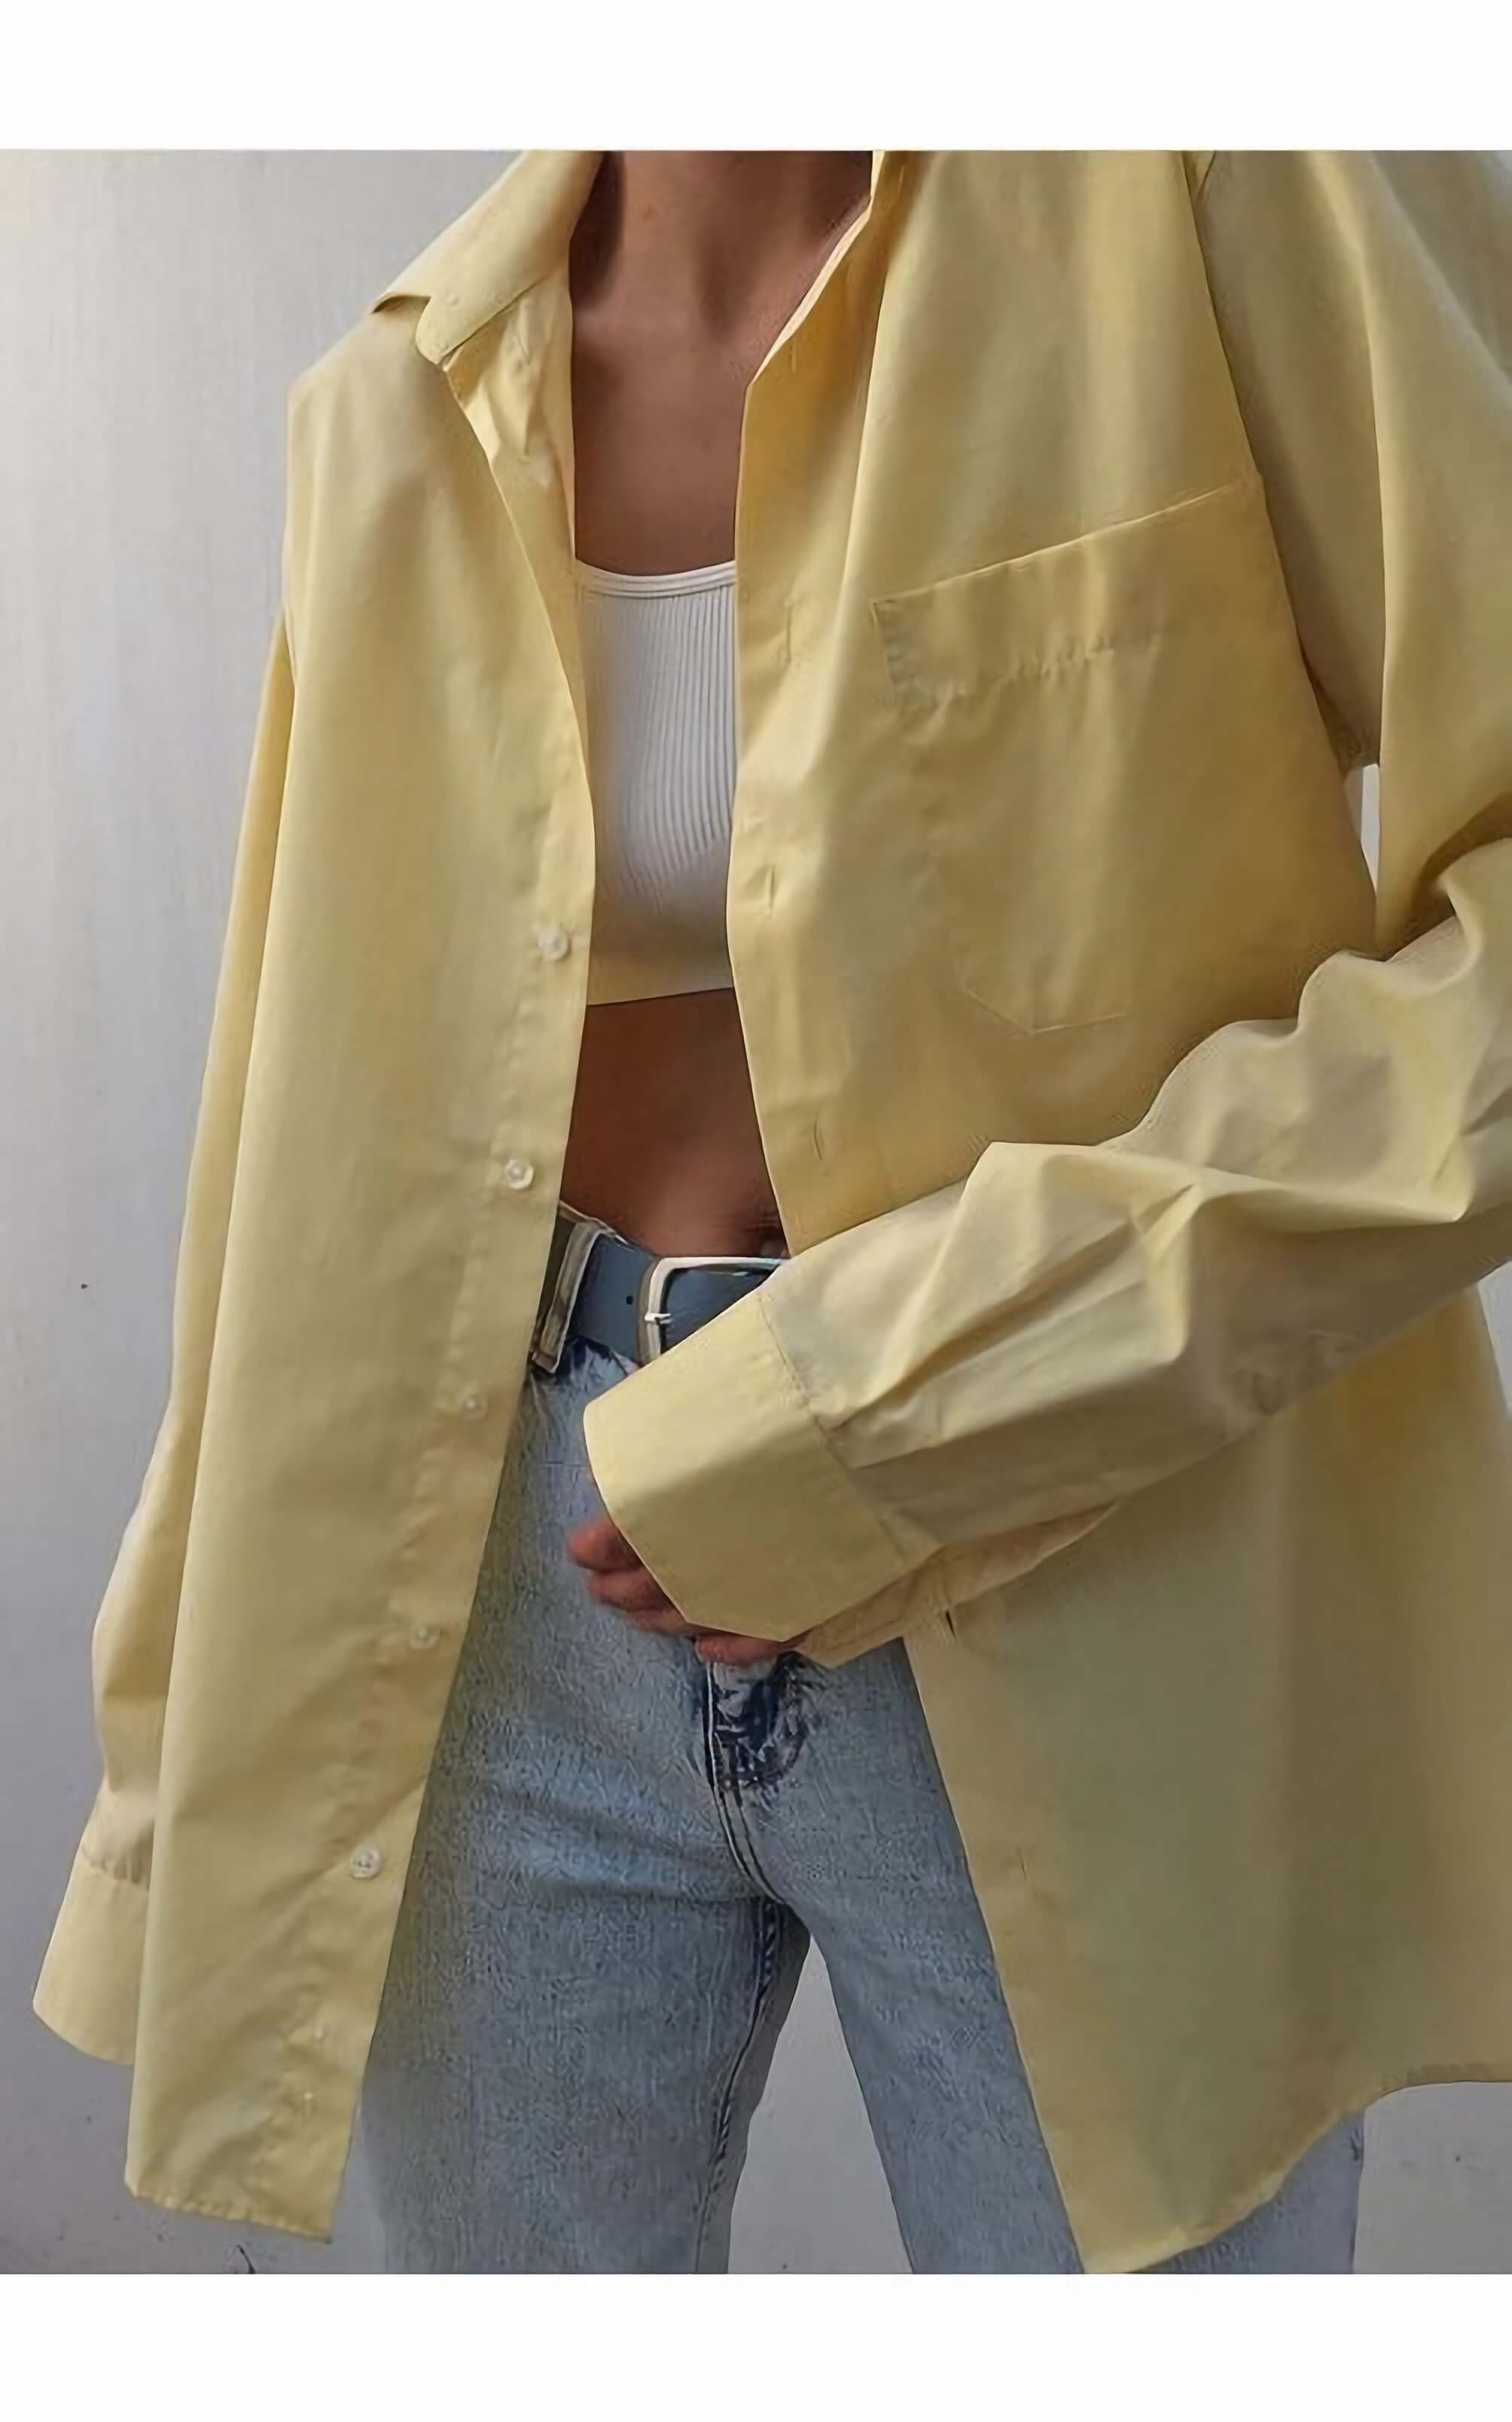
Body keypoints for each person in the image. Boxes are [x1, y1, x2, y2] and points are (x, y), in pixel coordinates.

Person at [33, 149, 1512, 2274]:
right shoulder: (399, 397)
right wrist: (176, 1752)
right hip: (495, 1593)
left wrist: (921, 1397)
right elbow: (300, 1136)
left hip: (1094, 1539)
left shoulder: (1226, 182)